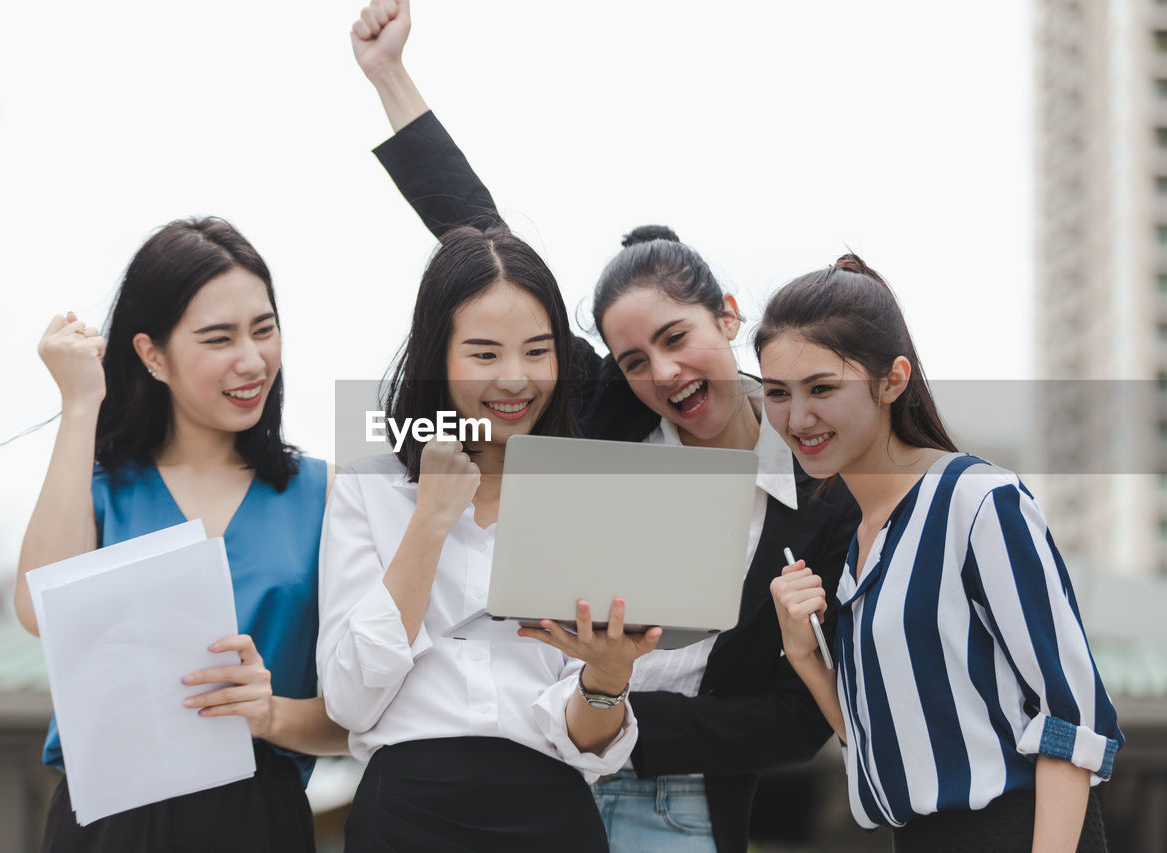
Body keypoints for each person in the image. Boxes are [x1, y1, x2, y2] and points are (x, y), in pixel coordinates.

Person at [349, 5, 860, 850]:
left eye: (675, 338)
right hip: (542, 785)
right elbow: (477, 234)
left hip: (678, 804)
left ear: (726, 316)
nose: (662, 374)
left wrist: (614, 704)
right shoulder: (606, 422)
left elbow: (796, 716)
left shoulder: (822, 492)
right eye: (632, 359)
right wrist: (389, 75)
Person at [316, 225, 662, 852]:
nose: (515, 379)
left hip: (552, 815)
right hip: (405, 816)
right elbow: (348, 699)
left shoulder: (588, 497)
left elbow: (586, 742)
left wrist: (606, 681)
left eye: (537, 351)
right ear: (436, 358)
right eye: (483, 354)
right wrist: (429, 520)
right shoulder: (367, 487)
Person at [762, 254, 1123, 852]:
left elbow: (1073, 715)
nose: (798, 417)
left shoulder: (977, 502)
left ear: (891, 380)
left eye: (822, 388)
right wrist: (805, 659)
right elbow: (888, 747)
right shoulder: (860, 544)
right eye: (778, 393)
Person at [13, 217, 346, 852]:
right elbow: (37, 608)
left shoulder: (325, 494)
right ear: (151, 355)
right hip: (110, 820)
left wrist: (273, 711)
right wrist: (80, 404)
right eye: (218, 338)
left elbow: (361, 718)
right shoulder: (103, 485)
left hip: (259, 818)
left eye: (264, 330)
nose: (251, 360)